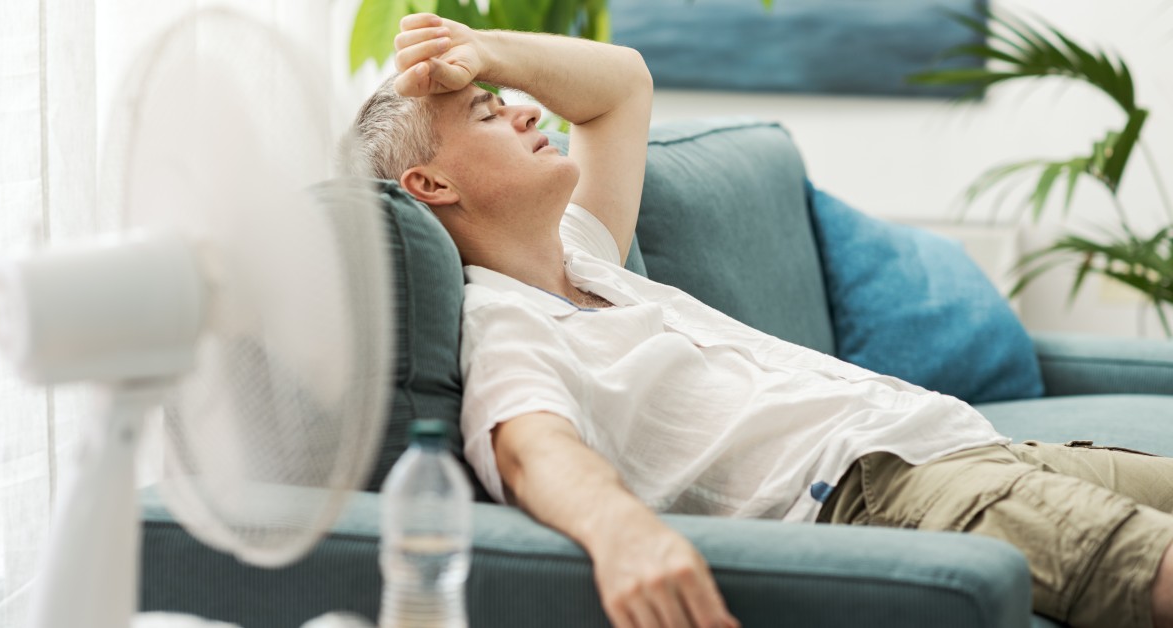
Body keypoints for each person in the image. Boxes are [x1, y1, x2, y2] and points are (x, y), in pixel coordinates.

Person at [340, 13, 1173, 628]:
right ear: (430, 186)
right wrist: (624, 535)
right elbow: (532, 450)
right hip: (893, 491)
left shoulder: (584, 253)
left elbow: (623, 84)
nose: (526, 111)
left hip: (976, 447)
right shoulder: (503, 321)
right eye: (490, 114)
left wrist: (486, 53)